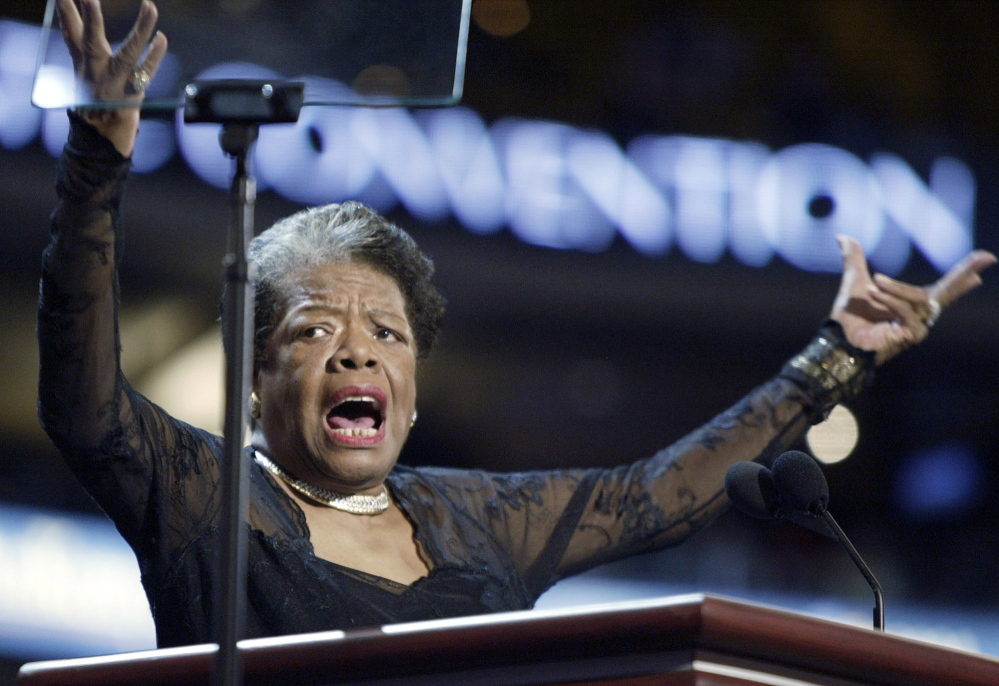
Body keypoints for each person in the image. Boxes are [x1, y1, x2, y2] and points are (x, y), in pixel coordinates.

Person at [38, 0, 995, 649]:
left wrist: (837, 355)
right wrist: (95, 168)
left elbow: (660, 492)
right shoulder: (205, 497)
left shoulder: (476, 522)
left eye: (388, 330)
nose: (359, 346)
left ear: (409, 388)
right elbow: (85, 406)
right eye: (313, 329)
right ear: (252, 379)